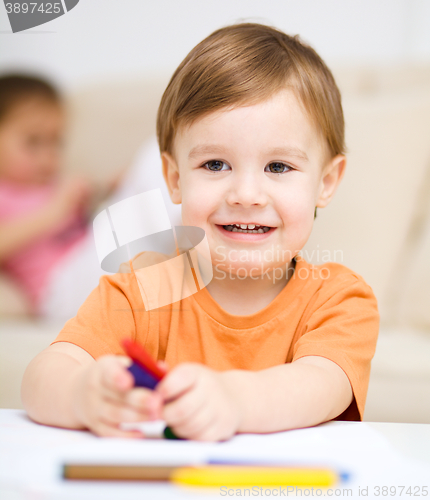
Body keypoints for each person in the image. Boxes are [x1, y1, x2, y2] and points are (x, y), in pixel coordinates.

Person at [21, 23, 380, 442]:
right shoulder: (140, 291)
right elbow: (41, 378)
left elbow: (320, 384)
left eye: (278, 167)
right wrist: (83, 394)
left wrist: (232, 398)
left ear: (326, 182)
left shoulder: (338, 300)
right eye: (215, 165)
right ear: (174, 178)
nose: (246, 195)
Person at [0, 74, 180, 319]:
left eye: (55, 142)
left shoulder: (51, 185)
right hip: (61, 288)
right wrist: (55, 209)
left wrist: (112, 187)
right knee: (153, 158)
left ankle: (195, 237)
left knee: (155, 156)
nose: (47, 156)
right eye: (33, 142)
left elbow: (88, 218)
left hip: (90, 255)